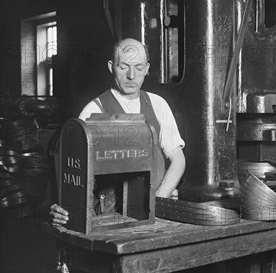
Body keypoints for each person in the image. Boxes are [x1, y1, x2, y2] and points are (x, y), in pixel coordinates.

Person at [50, 38, 186, 225]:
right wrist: (65, 206)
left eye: (138, 67)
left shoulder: (158, 105)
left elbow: (177, 158)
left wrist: (160, 198)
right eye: (124, 67)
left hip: (158, 214)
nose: (131, 75)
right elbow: (72, 168)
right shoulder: (93, 110)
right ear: (111, 66)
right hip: (110, 217)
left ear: (147, 69)